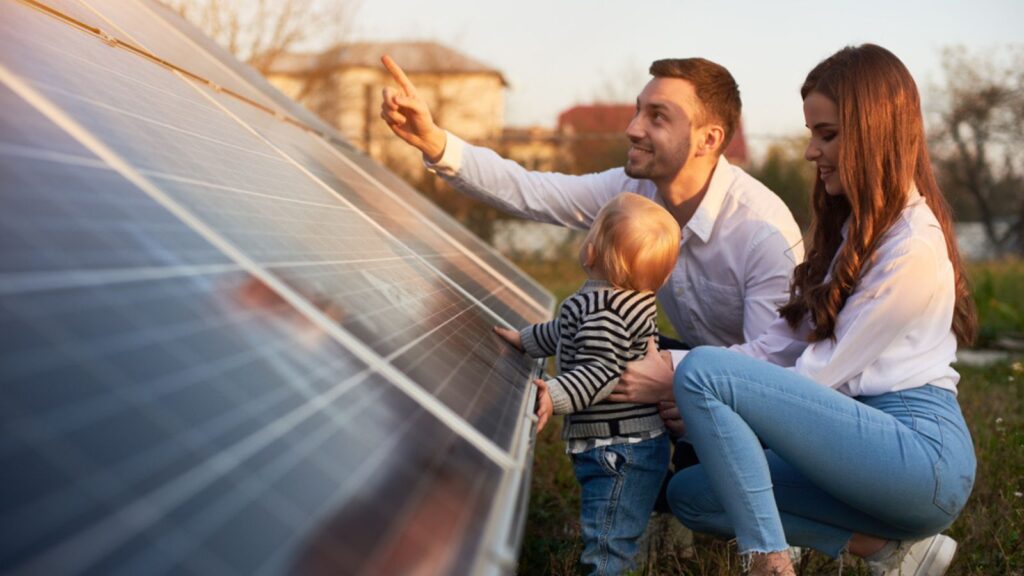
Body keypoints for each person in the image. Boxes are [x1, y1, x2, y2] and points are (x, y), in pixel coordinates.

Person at [379, 52, 804, 480]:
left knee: (696, 491)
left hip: (764, 402)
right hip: (694, 372)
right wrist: (435, 142)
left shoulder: (761, 232)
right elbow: (534, 191)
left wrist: (679, 379)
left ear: (708, 140)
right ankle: (633, 492)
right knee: (605, 349)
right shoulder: (634, 191)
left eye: (657, 117)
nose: (633, 128)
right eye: (639, 109)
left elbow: (773, 366)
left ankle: (761, 504)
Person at [640, 44, 977, 576]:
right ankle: (894, 552)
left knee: (706, 372)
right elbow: (781, 344)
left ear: (873, 132)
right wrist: (672, 374)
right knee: (695, 495)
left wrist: (700, 384)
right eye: (811, 134)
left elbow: (822, 377)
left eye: (827, 135)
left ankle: (768, 561)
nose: (810, 152)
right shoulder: (855, 233)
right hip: (856, 446)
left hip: (919, 458)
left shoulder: (912, 247)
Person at [494, 192, 681, 575]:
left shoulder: (604, 312)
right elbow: (564, 332)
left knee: (608, 543)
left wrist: (556, 393)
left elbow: (599, 371)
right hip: (627, 446)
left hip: (619, 450)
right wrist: (526, 340)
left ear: (591, 252)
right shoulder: (613, 302)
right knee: (610, 528)